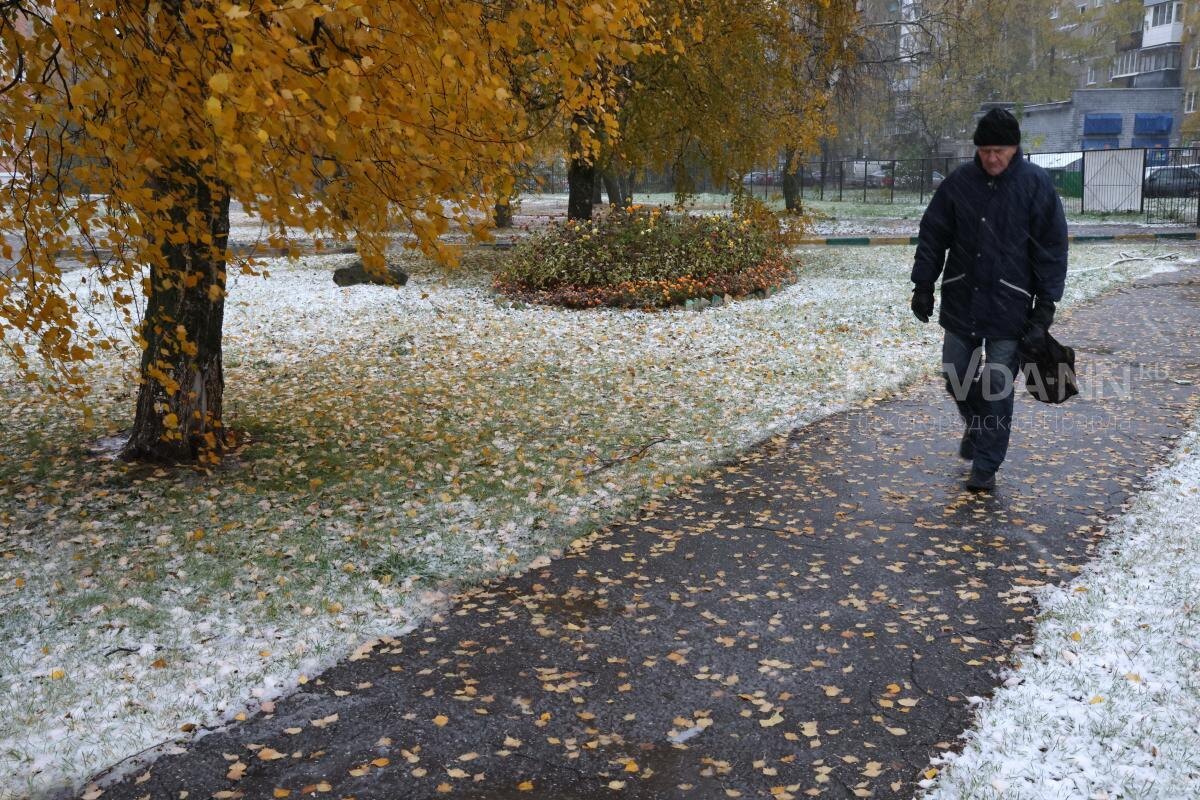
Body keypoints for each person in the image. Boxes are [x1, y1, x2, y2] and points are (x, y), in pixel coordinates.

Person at [909, 107, 1068, 491]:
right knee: (955, 374)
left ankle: (986, 466)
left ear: (1015, 148)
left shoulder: (1035, 186)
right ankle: (979, 429)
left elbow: (1052, 249)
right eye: (984, 151)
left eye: (999, 150)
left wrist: (1043, 310)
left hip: (1011, 308)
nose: (992, 158)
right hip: (963, 297)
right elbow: (933, 235)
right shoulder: (959, 184)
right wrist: (923, 284)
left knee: (996, 389)